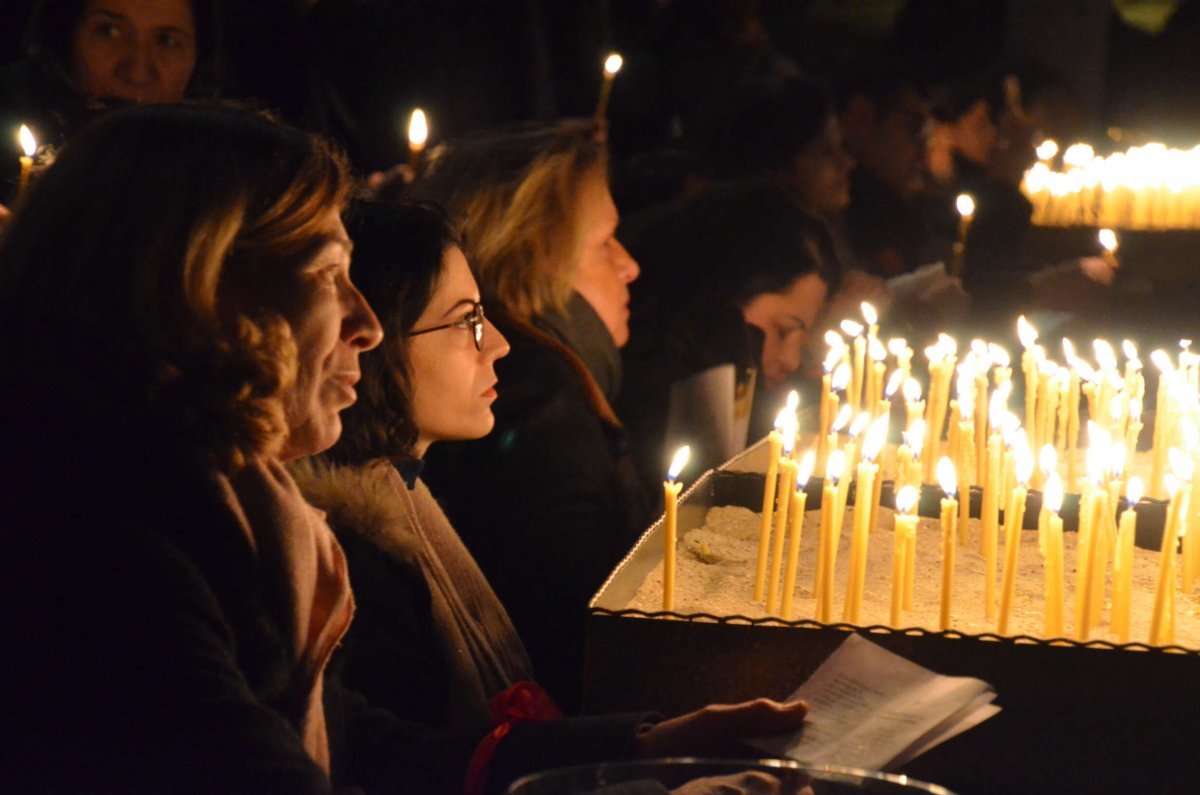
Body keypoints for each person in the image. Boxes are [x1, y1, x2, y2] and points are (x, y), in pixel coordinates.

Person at [293, 200, 809, 794]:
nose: (499, 346)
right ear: (371, 338)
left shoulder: (410, 501)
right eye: (466, 321)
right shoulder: (352, 556)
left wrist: (642, 745)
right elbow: (390, 761)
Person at [413, 120, 650, 711]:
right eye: (602, 245)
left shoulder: (539, 382)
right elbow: (579, 616)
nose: (630, 266)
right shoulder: (537, 401)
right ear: (532, 262)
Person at [619, 181, 838, 494]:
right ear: (727, 288)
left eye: (801, 341)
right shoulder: (650, 386)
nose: (791, 360)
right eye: (784, 330)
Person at [1, 0, 222, 205]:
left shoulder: (226, 178)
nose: (137, 73)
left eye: (167, 41)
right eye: (109, 32)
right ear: (65, 40)